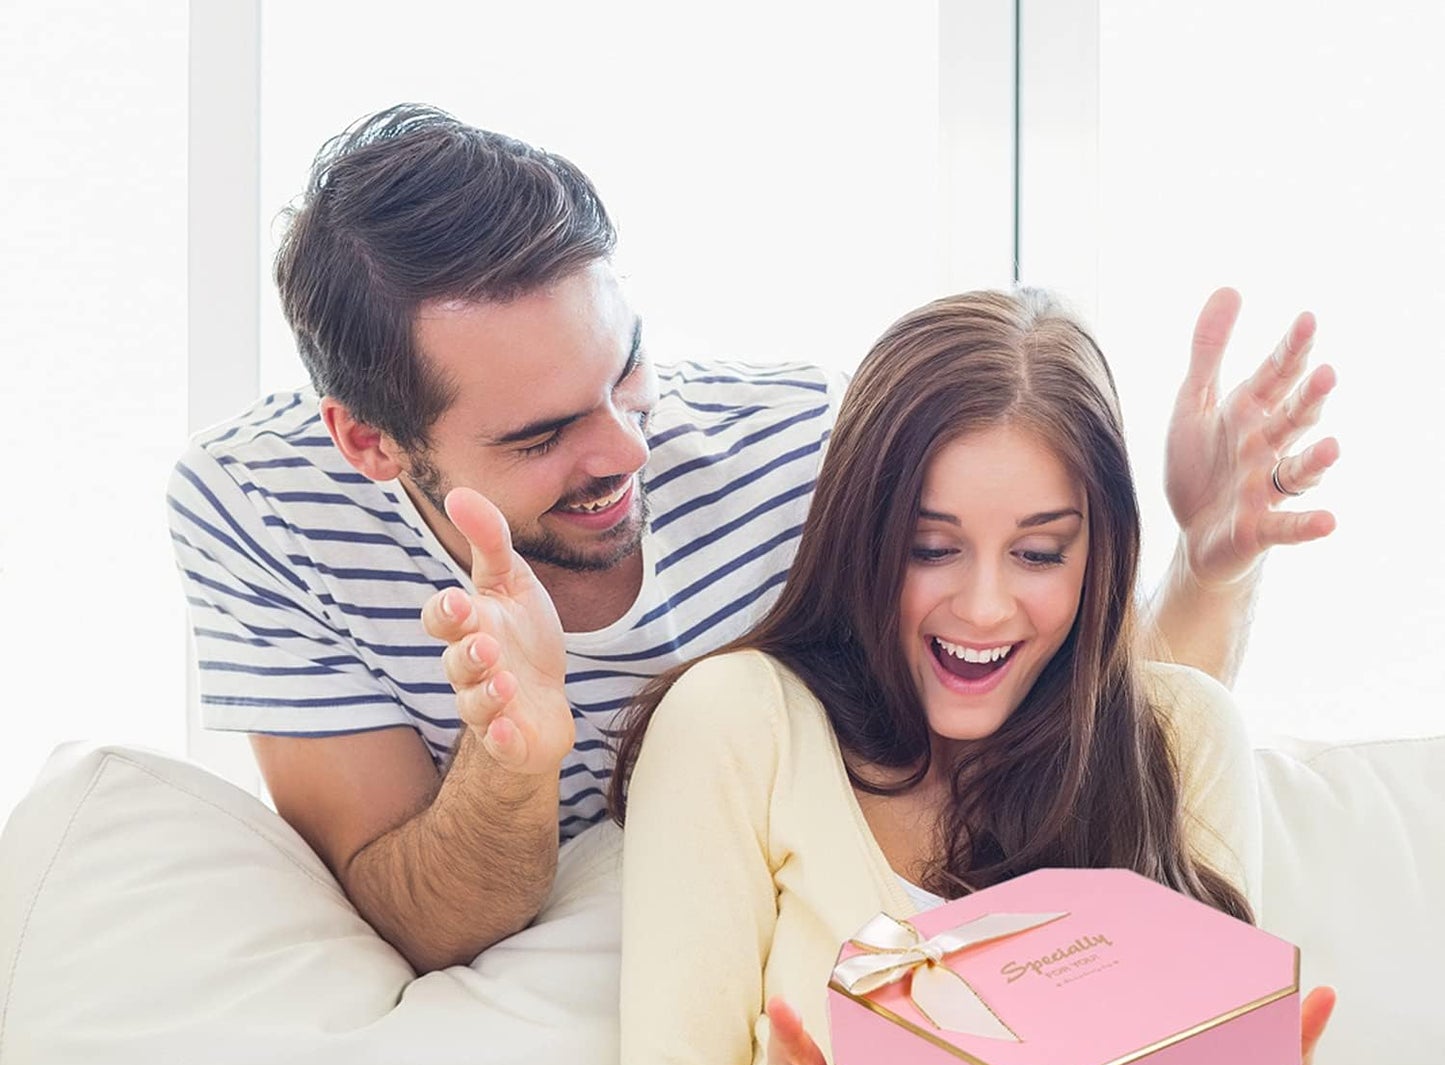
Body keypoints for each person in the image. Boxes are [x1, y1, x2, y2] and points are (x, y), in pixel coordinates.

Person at [167, 105, 1340, 972]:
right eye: (541, 435)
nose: (626, 447)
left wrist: (1208, 563)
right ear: (370, 442)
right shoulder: (259, 509)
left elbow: (1090, 737)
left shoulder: (796, 443)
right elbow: (414, 919)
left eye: (626, 369)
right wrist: (514, 751)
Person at [605, 289, 1336, 1065]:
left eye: (1037, 552)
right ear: (862, 533)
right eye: (930, 547)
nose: (983, 604)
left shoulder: (1179, 739)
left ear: (1096, 553)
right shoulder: (738, 720)